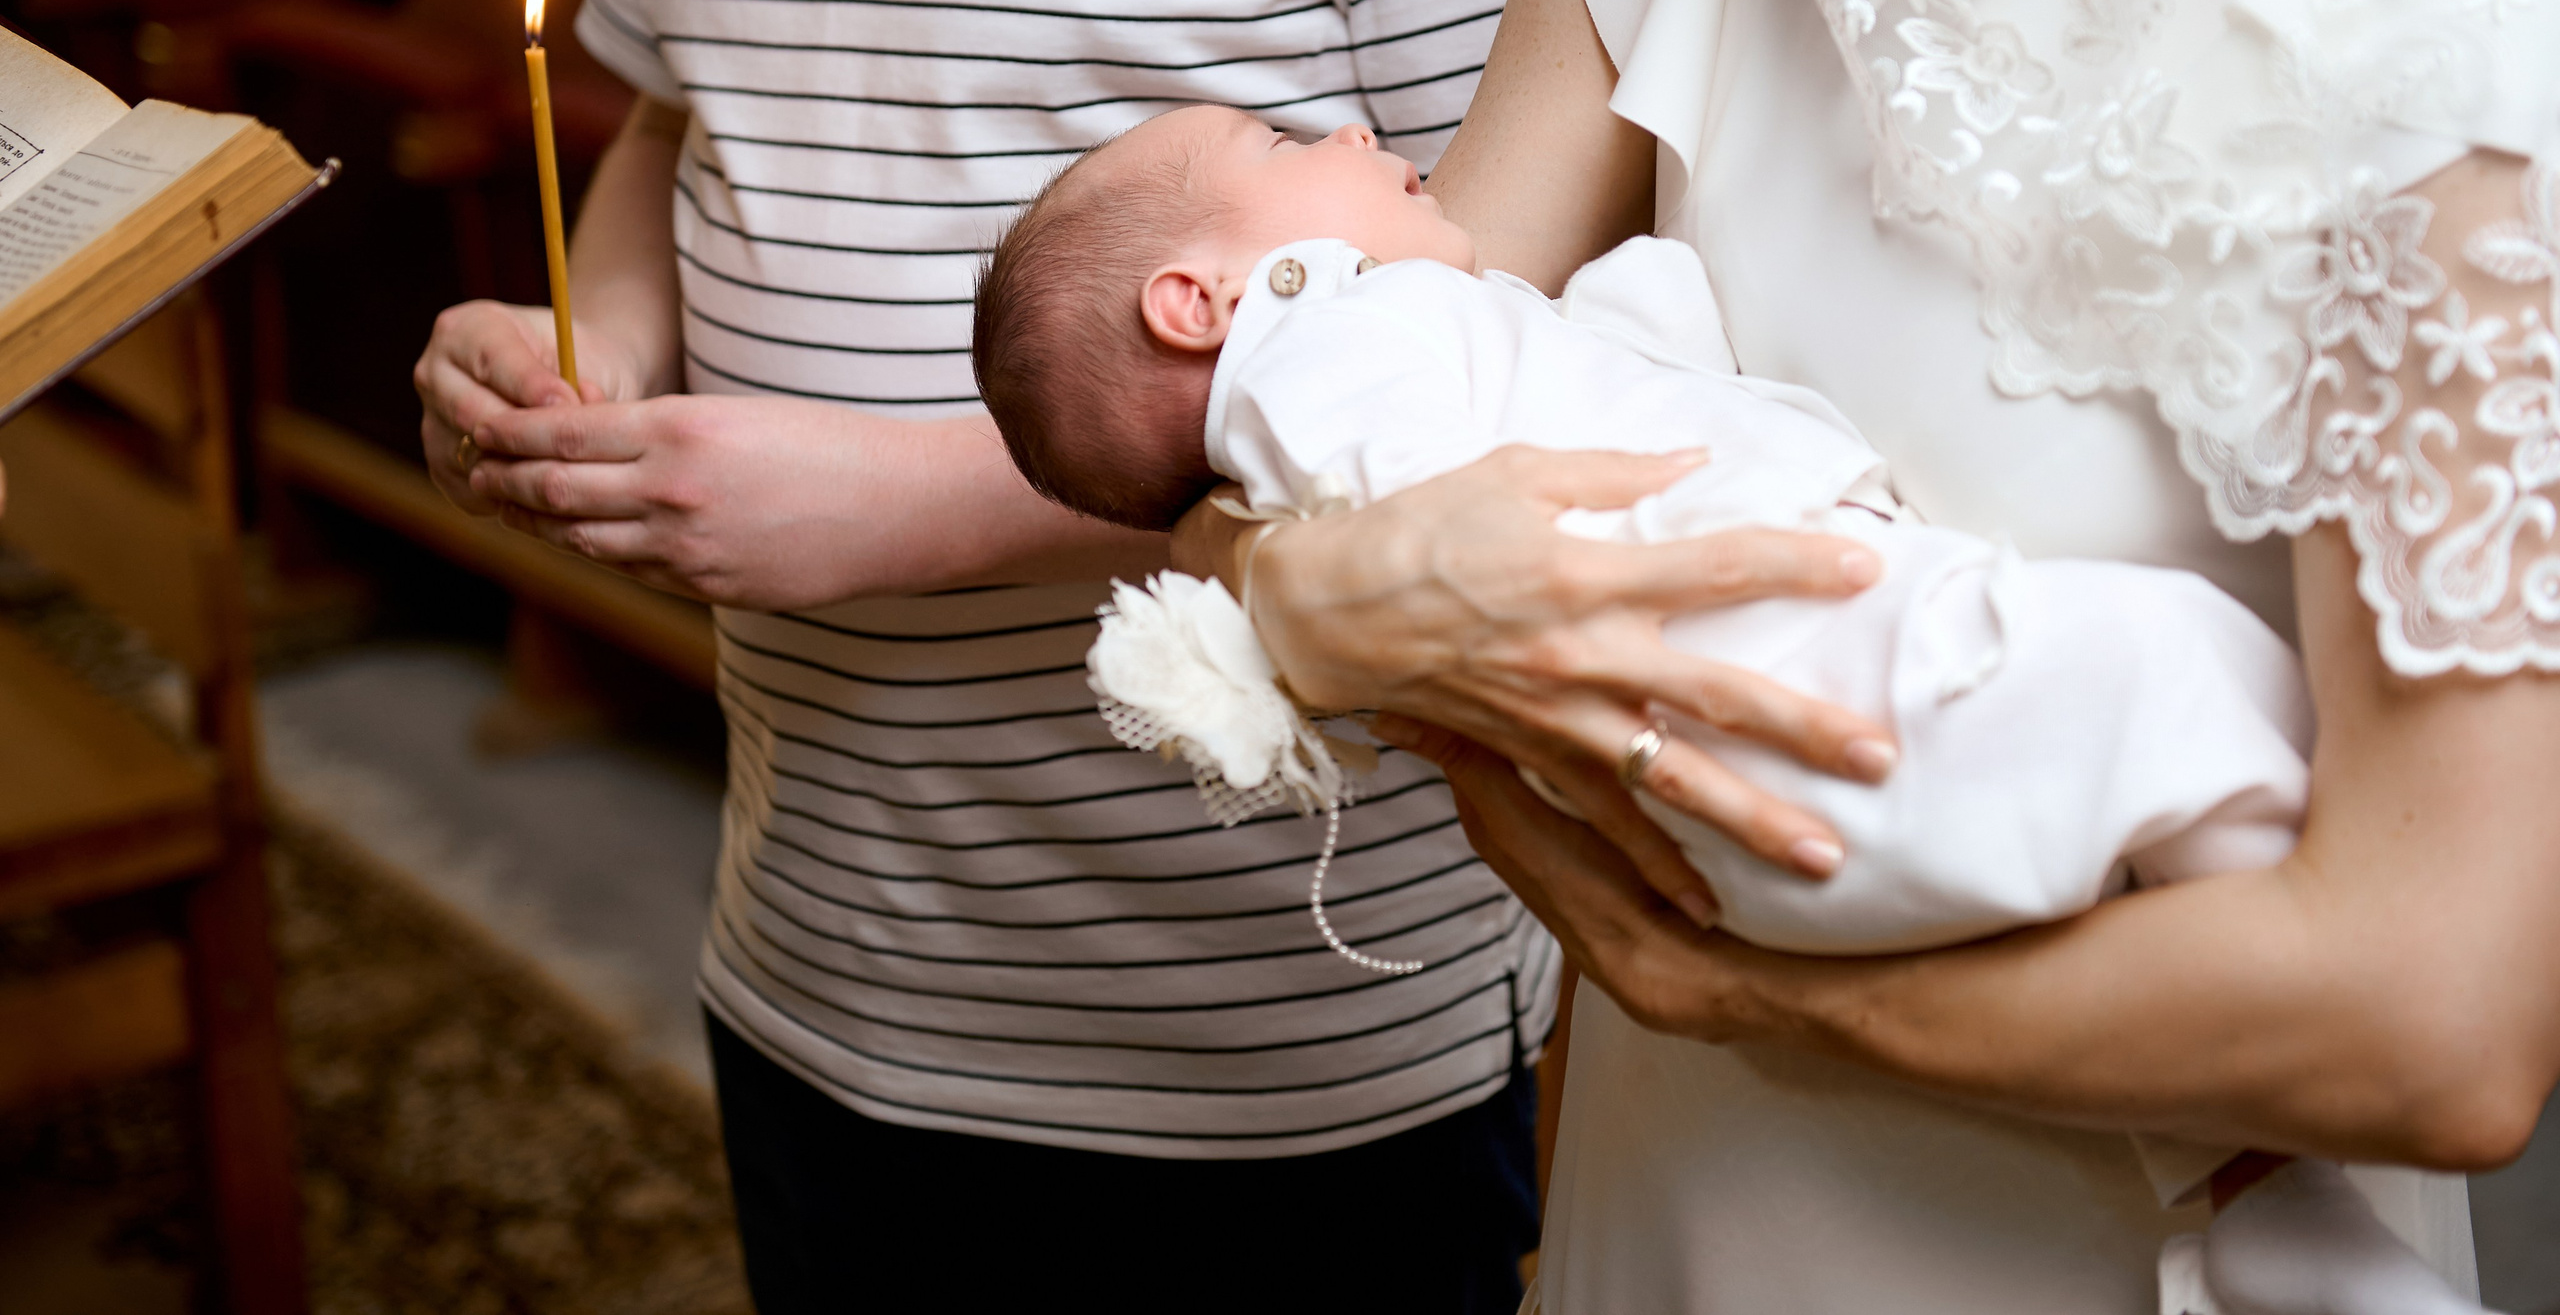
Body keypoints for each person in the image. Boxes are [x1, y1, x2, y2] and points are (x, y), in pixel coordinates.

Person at [1167, 0, 2560, 1311]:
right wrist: (1307, 596)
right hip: (1660, 1205)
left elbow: (2441, 1028)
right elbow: (1295, 394)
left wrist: (1744, 998)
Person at [409, 0, 1656, 1310]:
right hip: (809, 944)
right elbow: (683, 108)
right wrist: (601, 352)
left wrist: (900, 512)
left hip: (1267, 1040)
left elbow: (1512, 335)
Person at [972, 101, 2489, 1311]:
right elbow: (1431, 528)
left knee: (2116, 843)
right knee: (2175, 676)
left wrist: (1639, 315)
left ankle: (2253, 1192)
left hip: (1753, 755)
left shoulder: (1392, 349)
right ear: (1204, 300)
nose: (1354, 131)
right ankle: (2274, 1187)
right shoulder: (1330, 352)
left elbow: (1547, 406)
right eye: (1282, 146)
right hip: (1782, 692)